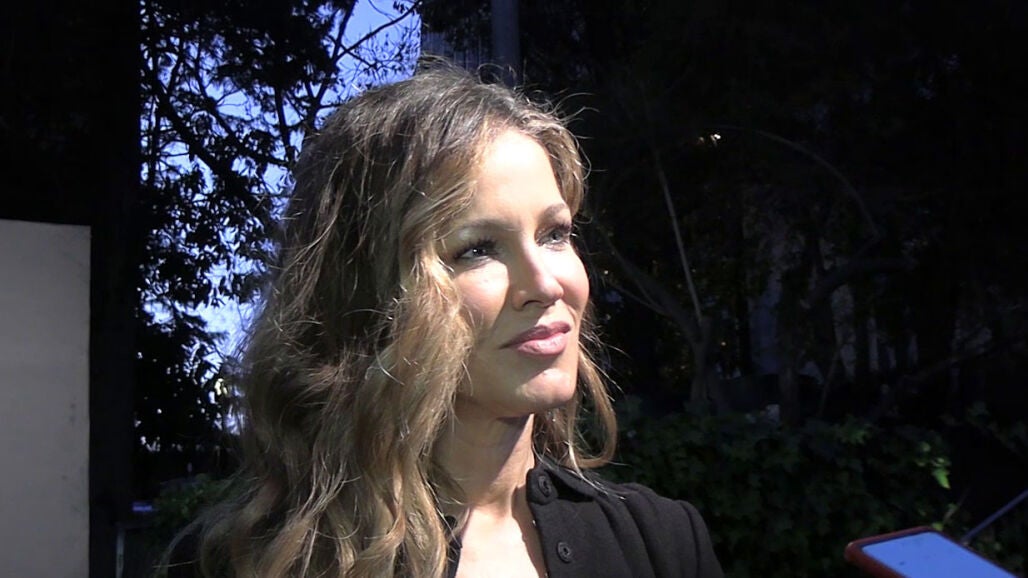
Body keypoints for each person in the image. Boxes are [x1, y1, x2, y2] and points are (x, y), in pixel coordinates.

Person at [163, 64, 723, 578]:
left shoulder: (662, 545)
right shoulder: (237, 564)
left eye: (555, 234)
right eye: (478, 249)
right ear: (369, 292)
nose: (547, 284)